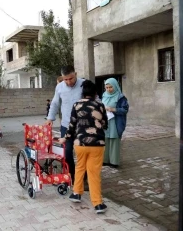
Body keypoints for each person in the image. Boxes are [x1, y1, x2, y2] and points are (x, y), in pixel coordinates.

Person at [58, 80, 108, 214]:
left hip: (80, 143)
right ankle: (98, 203)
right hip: (97, 144)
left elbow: (72, 125)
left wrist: (65, 138)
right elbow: (105, 124)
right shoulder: (100, 105)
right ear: (95, 93)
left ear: (83, 93)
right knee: (93, 172)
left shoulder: (77, 105)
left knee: (80, 167)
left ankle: (76, 193)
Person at [46, 65, 87, 188]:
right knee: (67, 151)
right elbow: (54, 103)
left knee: (82, 152)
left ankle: (83, 177)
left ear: (76, 74)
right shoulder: (59, 87)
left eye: (71, 78)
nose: (69, 82)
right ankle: (71, 175)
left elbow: (96, 100)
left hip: (82, 126)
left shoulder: (84, 84)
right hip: (66, 125)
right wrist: (50, 118)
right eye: (66, 79)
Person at [102, 78, 129, 168]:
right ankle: (105, 160)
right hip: (105, 122)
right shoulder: (104, 95)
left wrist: (113, 109)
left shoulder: (120, 97)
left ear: (115, 86)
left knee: (114, 141)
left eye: (111, 87)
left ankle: (114, 162)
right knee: (105, 140)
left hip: (115, 122)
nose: (109, 89)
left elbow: (125, 110)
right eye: (107, 87)